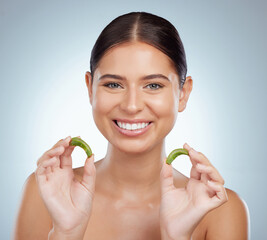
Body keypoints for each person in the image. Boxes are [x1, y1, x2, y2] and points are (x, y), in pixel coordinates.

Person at [13, 11, 249, 240]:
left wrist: (177, 236)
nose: (132, 106)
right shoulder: (45, 193)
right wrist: (65, 234)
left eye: (153, 85)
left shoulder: (220, 209)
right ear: (89, 88)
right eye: (114, 85)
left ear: (183, 94)